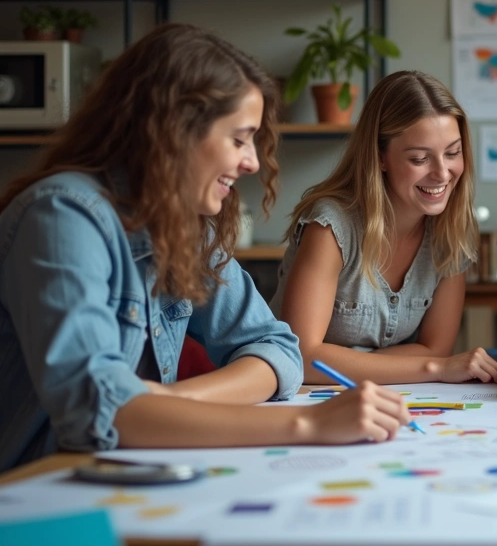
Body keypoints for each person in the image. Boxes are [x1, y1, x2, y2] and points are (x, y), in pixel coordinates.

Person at [0, 24, 411, 472]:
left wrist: (173, 401)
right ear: (172, 131)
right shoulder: (62, 216)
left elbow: (277, 348)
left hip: (132, 478)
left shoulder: (184, 226)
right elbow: (99, 413)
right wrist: (308, 425)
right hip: (34, 493)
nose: (253, 161)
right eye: (238, 139)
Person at [270, 71, 497, 386]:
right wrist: (434, 368)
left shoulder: (451, 232)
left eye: (452, 153)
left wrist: (348, 360)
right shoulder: (330, 227)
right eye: (420, 158)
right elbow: (301, 357)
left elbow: (436, 348)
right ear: (380, 157)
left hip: (390, 401)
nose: (442, 173)